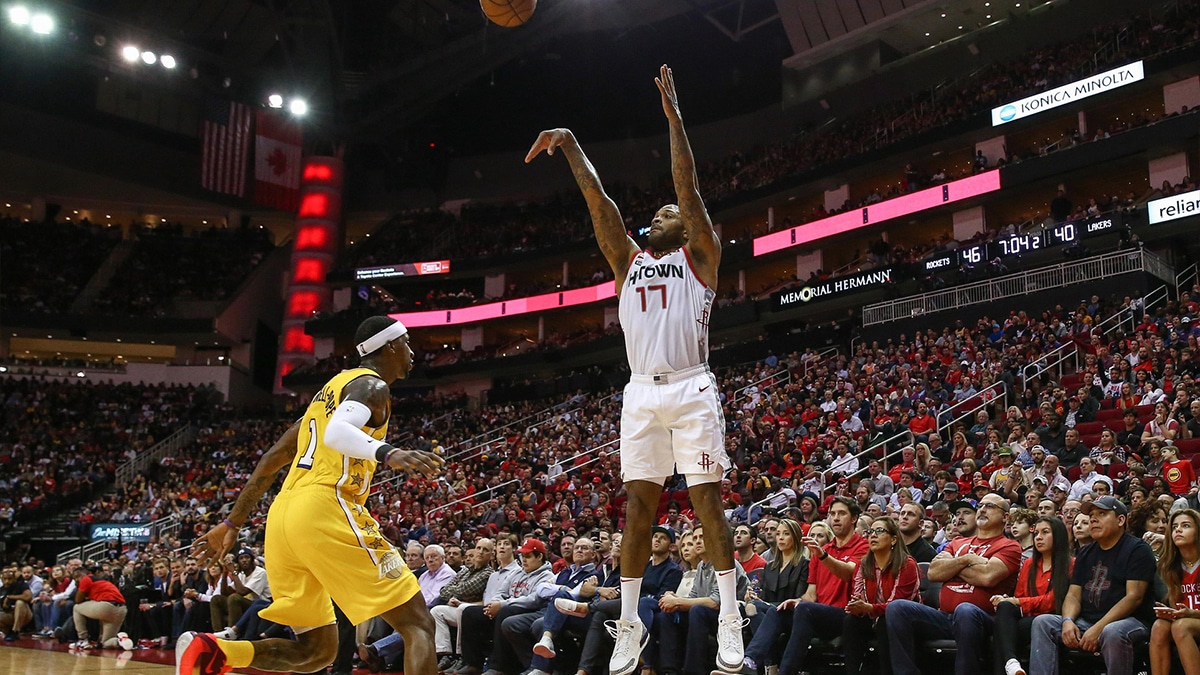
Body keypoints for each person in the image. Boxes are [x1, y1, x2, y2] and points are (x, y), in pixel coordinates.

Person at [526, 64, 743, 675]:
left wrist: (673, 117)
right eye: (659, 211)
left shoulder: (701, 256)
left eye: (671, 210)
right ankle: (627, 626)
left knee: (706, 501)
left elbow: (688, 183)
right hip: (641, 393)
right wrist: (570, 145)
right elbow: (600, 201)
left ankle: (729, 614)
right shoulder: (627, 261)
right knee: (637, 511)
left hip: (693, 385)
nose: (663, 211)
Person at [182, 316, 444, 675]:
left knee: (316, 651)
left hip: (284, 517)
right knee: (419, 625)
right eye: (408, 343)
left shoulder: (328, 394)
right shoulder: (372, 385)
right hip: (326, 506)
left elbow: (272, 457)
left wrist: (233, 521)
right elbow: (339, 432)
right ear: (391, 346)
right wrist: (390, 454)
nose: (412, 352)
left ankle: (219, 651)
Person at [886, 492, 1022, 675]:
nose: (982, 509)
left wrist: (952, 567)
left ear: (1005, 517)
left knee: (965, 609)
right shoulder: (958, 542)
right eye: (980, 505)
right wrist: (966, 560)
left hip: (984, 617)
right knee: (897, 608)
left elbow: (988, 577)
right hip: (945, 617)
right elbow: (934, 572)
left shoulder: (1009, 546)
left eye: (989, 506)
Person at [1029, 496, 1156, 675]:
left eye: (1102, 514)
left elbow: (1133, 597)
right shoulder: (1086, 551)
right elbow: (1073, 594)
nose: (1093, 519)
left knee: (1112, 632)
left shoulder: (1138, 549)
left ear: (1121, 520)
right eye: (1092, 515)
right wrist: (1067, 621)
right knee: (1043, 622)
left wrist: (1098, 628)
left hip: (1130, 622)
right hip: (1087, 621)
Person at [741, 497, 868, 675]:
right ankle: (750, 661)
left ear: (854, 518)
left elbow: (849, 573)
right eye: (832, 514)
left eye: (842, 513)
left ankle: (786, 672)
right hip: (816, 613)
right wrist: (796, 600)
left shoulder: (863, 546)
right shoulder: (823, 549)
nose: (836, 518)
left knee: (805, 610)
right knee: (778, 611)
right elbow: (811, 595)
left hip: (845, 615)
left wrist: (822, 555)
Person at [990, 517, 1072, 675]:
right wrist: (1008, 600)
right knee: (1004, 607)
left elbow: (1052, 601)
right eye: (1036, 533)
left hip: (1051, 621)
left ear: (1059, 536)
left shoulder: (1070, 564)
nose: (1038, 537)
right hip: (1026, 619)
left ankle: (1007, 663)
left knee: (1002, 632)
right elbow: (1019, 595)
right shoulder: (1029, 563)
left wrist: (1017, 601)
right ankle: (1011, 662)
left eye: (1045, 532)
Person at [842, 516, 920, 675]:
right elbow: (858, 596)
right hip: (874, 616)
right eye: (871, 531)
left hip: (906, 621)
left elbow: (896, 605)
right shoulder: (863, 564)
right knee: (852, 620)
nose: (873, 535)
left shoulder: (906, 564)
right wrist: (857, 607)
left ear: (893, 539)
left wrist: (869, 608)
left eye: (879, 531)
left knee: (886, 621)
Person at [1150, 509, 1200, 675]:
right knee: (1159, 626)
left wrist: (1191, 614)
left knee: (1181, 627)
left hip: (1190, 621)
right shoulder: (1169, 566)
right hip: (1188, 620)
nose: (1178, 530)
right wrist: (1170, 613)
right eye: (1175, 527)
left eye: (1185, 526)